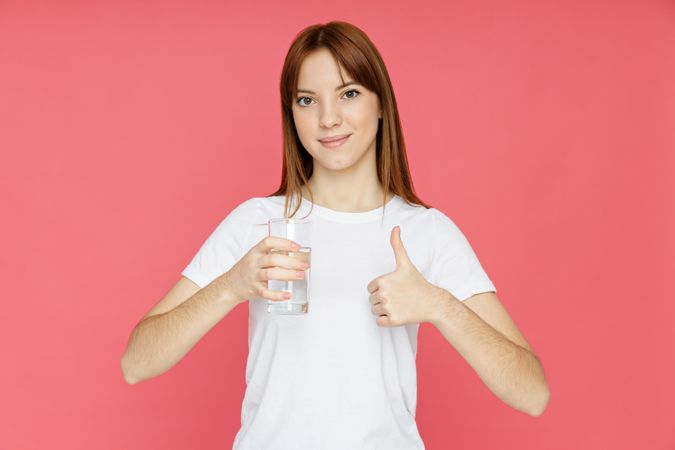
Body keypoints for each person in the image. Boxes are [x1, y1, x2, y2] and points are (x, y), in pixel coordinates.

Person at [120, 21, 550, 450]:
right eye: (307, 100)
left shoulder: (427, 232)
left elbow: (532, 394)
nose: (328, 119)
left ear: (382, 104)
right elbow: (136, 363)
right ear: (292, 113)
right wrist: (231, 286)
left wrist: (441, 306)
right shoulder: (258, 222)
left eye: (349, 93)